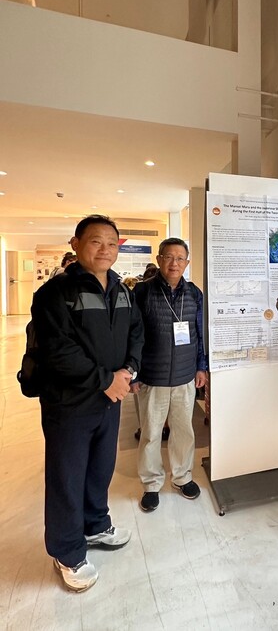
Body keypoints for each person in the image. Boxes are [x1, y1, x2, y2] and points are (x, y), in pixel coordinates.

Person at [31, 215, 144, 593]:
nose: (105, 249)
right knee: (67, 476)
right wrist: (105, 380)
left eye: (112, 243)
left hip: (110, 400)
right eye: (96, 242)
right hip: (70, 404)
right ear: (76, 244)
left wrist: (128, 370)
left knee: (100, 468)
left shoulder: (122, 290)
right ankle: (67, 550)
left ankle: (95, 525)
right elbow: (57, 350)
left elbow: (136, 334)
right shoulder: (55, 293)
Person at [133, 237, 207, 512]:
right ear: (159, 259)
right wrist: (134, 372)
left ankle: (182, 477)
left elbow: (200, 333)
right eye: (169, 257)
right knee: (151, 433)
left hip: (186, 375)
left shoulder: (194, 293)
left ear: (187, 263)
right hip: (153, 376)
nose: (174, 263)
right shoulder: (142, 292)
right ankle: (151, 483)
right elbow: (134, 335)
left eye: (180, 258)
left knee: (184, 431)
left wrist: (201, 366)